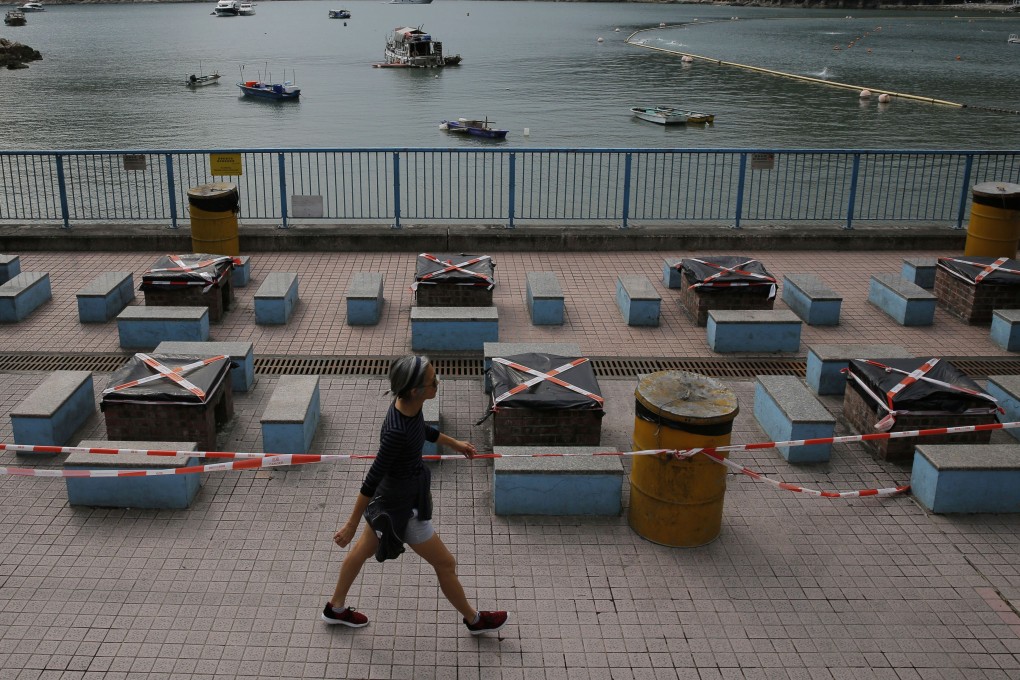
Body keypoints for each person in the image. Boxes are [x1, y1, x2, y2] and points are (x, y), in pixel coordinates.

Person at [322, 354, 509, 635]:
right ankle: (474, 620)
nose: (438, 382)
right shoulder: (396, 432)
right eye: (432, 381)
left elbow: (421, 430)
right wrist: (349, 524)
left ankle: (334, 609)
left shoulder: (406, 407)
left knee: (361, 551)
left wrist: (454, 443)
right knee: (446, 563)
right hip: (401, 509)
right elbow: (371, 478)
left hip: (388, 502)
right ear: (415, 390)